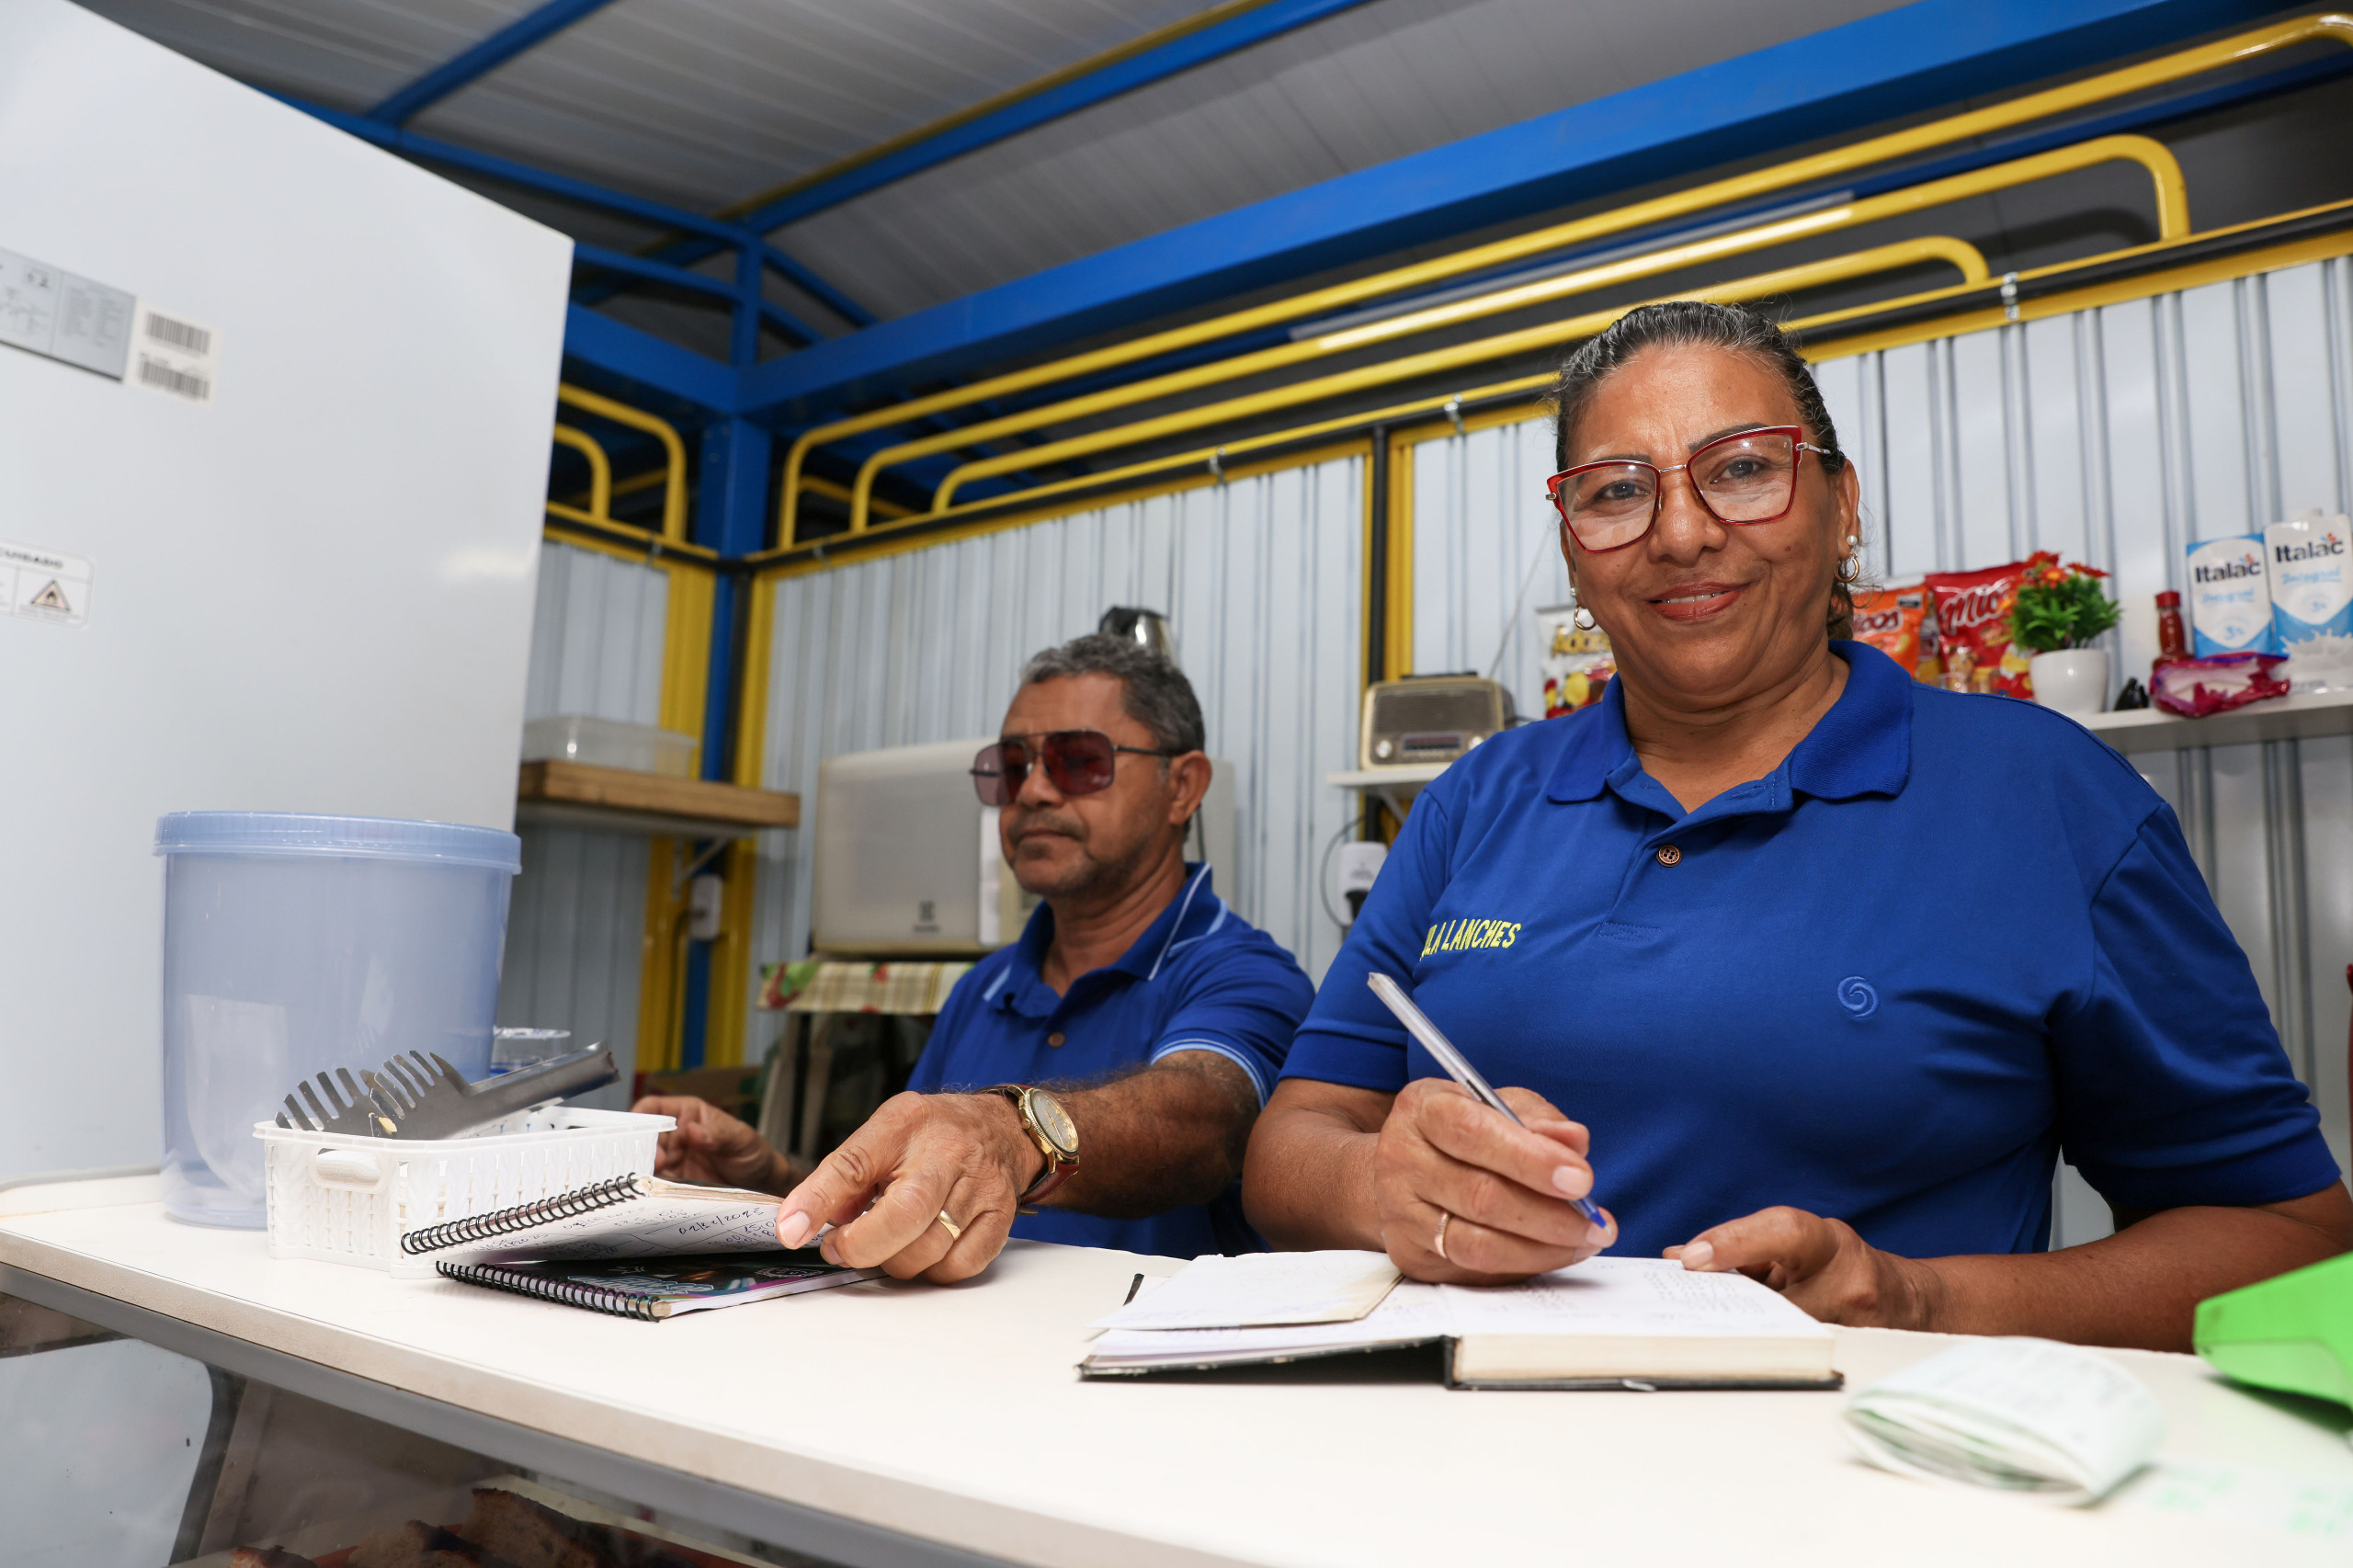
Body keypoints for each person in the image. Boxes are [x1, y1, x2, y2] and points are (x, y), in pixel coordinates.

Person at [1242, 300, 2350, 1351]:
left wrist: (1920, 1298)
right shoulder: (1475, 800)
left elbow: (2288, 1240)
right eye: (1615, 491)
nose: (1680, 531)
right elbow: (1289, 1144)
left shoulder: (2047, 796)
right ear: (1575, 550)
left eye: (1740, 469)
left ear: (1841, 505)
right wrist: (1379, 1183)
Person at [638, 633, 1314, 1281]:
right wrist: (769, 1183)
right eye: (1013, 767)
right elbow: (904, 1204)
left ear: (1183, 787)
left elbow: (1203, 1124)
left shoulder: (1247, 976)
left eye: (1080, 761)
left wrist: (1013, 1132)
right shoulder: (983, 989)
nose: (1035, 792)